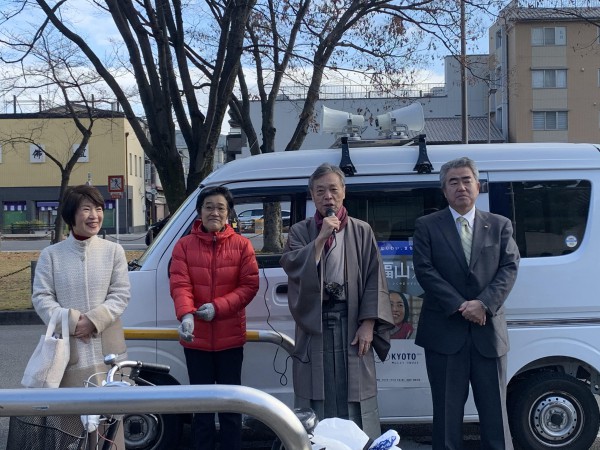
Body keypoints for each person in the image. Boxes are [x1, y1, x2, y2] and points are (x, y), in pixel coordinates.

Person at [280, 163, 394, 439]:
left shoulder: (361, 230)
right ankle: (317, 443)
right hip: (315, 321)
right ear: (312, 195)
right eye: (320, 191)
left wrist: (368, 323)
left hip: (352, 319)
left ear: (344, 192)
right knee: (316, 392)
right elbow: (292, 265)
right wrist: (320, 239)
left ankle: (358, 443)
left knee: (354, 393)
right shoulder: (299, 231)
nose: (327, 196)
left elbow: (374, 279)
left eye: (333, 189)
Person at [413, 156, 520, 450]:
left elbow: (509, 268)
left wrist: (483, 304)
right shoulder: (427, 226)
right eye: (453, 181)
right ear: (444, 190)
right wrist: (462, 305)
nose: (460, 186)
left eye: (466, 180)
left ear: (478, 186)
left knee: (495, 414)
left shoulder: (500, 225)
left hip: (488, 334)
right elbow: (424, 270)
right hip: (444, 333)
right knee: (446, 417)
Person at [31, 184, 130, 445]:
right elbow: (41, 297)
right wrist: (73, 323)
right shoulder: (51, 255)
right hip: (67, 354)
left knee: (110, 431)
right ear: (71, 215)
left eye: (98, 209)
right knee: (70, 430)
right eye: (86, 209)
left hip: (108, 354)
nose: (94, 215)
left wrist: (94, 321)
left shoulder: (114, 251)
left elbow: (120, 294)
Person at [169, 186, 259, 450]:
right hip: (195, 341)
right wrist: (186, 315)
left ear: (229, 212)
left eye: (220, 207)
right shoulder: (184, 246)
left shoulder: (243, 246)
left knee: (231, 408)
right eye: (209, 206)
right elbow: (180, 284)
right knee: (202, 409)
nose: (214, 212)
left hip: (230, 339)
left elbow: (248, 286)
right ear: (199, 211)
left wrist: (217, 307)